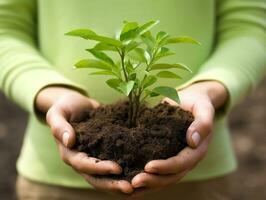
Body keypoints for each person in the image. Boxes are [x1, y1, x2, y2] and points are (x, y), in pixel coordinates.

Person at [0, 0, 265, 199]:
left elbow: (250, 23)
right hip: (56, 182)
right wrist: (51, 93)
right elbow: (6, 26)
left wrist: (208, 89)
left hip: (196, 178)